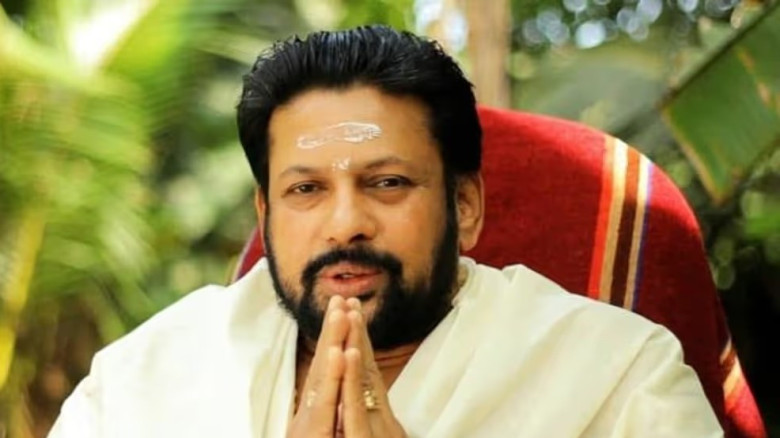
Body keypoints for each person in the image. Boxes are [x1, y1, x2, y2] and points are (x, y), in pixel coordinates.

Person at [49, 25, 722, 437]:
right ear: (265, 214)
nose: (346, 224)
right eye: (306, 190)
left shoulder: (611, 376)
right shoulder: (148, 378)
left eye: (388, 183)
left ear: (464, 205)